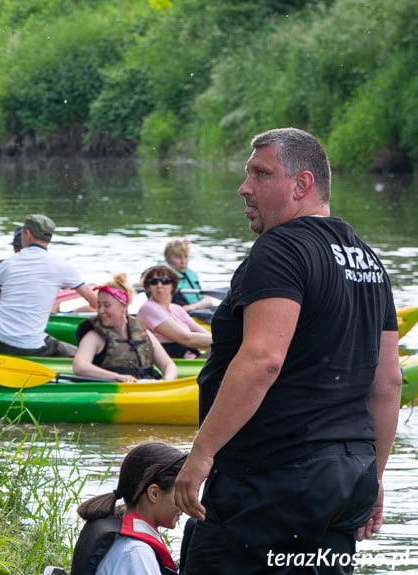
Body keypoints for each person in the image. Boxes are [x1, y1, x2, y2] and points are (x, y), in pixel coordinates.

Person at [174, 128, 403, 574]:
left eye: (261, 174)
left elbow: (263, 359)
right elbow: (388, 381)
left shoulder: (279, 250)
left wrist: (201, 454)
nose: (245, 187)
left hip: (274, 478)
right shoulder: (369, 261)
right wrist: (374, 475)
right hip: (345, 479)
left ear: (302, 185)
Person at [0, 214, 98, 357]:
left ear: (27, 234)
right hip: (30, 347)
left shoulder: (7, 263)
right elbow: (94, 302)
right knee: (85, 356)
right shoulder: (62, 266)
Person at [72, 442, 186, 575]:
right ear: (154, 493)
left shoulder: (117, 525)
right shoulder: (136, 552)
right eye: (181, 492)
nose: (186, 502)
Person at [73, 274, 178, 382]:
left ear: (124, 306)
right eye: (99, 305)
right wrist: (117, 377)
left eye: (107, 305)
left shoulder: (143, 333)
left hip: (145, 391)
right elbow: (79, 366)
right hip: (112, 392)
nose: (101, 311)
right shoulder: (94, 336)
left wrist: (167, 381)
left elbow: (169, 365)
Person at [137, 266, 212, 359]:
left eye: (165, 281)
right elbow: (186, 339)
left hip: (191, 357)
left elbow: (203, 332)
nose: (159, 285)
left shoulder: (176, 308)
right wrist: (224, 341)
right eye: (153, 282)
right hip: (173, 361)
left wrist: (222, 340)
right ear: (148, 287)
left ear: (173, 285)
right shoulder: (149, 308)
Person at [162, 238, 214, 313]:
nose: (183, 262)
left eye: (186, 257)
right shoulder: (162, 275)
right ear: (168, 259)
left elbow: (208, 301)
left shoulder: (190, 275)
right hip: (181, 314)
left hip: (197, 311)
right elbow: (142, 283)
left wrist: (192, 306)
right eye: (178, 257)